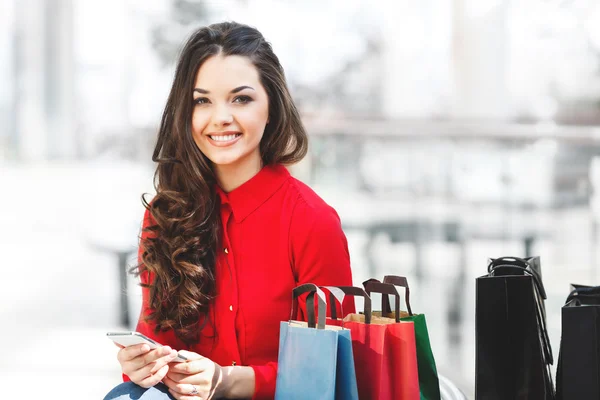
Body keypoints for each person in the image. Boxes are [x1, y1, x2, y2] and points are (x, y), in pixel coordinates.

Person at [104, 21, 355, 400]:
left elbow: (332, 372)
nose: (220, 117)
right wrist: (141, 364)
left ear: (271, 106)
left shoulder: (311, 221)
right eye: (202, 101)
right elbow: (156, 337)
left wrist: (227, 381)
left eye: (240, 99)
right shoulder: (165, 215)